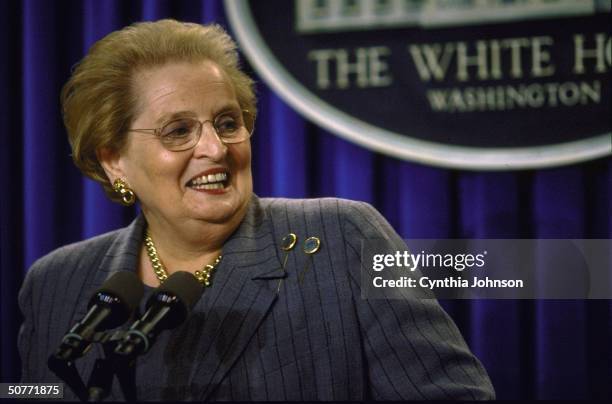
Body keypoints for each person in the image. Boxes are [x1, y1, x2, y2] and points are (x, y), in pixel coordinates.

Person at [18, 19, 495, 401]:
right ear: (113, 159)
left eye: (228, 122)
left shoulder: (343, 239)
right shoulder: (56, 281)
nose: (215, 148)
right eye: (178, 131)